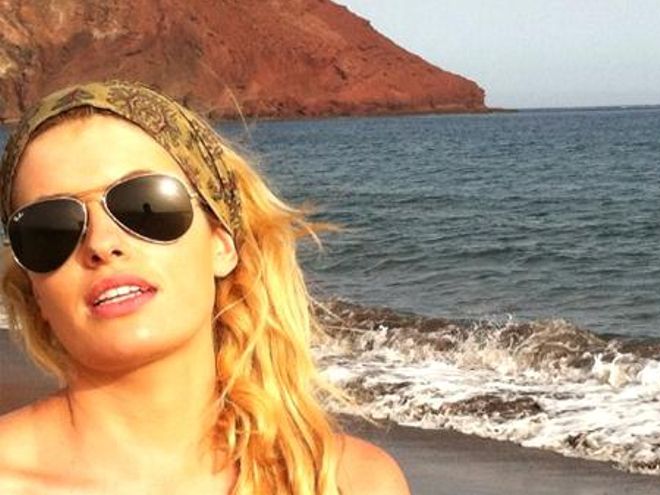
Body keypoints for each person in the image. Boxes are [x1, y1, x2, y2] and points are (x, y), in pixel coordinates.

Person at [0, 80, 410, 494]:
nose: (102, 244)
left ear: (221, 242)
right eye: (50, 229)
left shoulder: (349, 481)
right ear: (36, 292)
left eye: (146, 206)